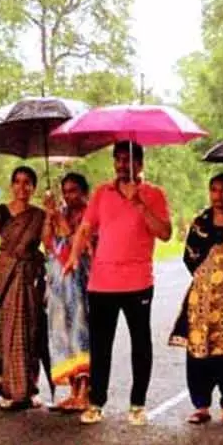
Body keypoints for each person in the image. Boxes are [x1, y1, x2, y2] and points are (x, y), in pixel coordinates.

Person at [67, 142, 171, 427]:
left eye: (128, 160)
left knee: (141, 343)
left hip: (138, 283)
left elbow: (165, 233)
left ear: (140, 163)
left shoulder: (154, 194)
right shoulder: (102, 193)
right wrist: (73, 257)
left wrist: (140, 204)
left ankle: (137, 404)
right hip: (101, 283)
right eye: (118, 160)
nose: (122, 165)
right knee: (101, 346)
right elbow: (86, 228)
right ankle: (96, 402)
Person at [170, 173, 223, 426]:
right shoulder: (200, 224)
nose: (219, 196)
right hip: (202, 298)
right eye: (214, 190)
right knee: (199, 350)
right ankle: (201, 405)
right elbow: (189, 257)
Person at [0, 166, 48, 409]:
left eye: (27, 183)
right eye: (18, 182)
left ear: (34, 187)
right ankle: (9, 388)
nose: (22, 187)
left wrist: (51, 213)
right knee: (8, 329)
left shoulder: (39, 215)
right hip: (6, 274)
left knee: (31, 330)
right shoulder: (0, 212)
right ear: (12, 186)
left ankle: (29, 387)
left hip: (29, 277)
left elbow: (49, 245)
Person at [43, 172, 93, 412]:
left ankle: (85, 391)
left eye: (73, 190)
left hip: (80, 280)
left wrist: (57, 217)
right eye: (65, 191)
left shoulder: (89, 214)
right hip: (59, 283)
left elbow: (71, 240)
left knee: (80, 332)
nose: (68, 196)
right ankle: (73, 391)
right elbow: (47, 241)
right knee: (61, 332)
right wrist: (49, 215)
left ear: (83, 191)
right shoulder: (61, 213)